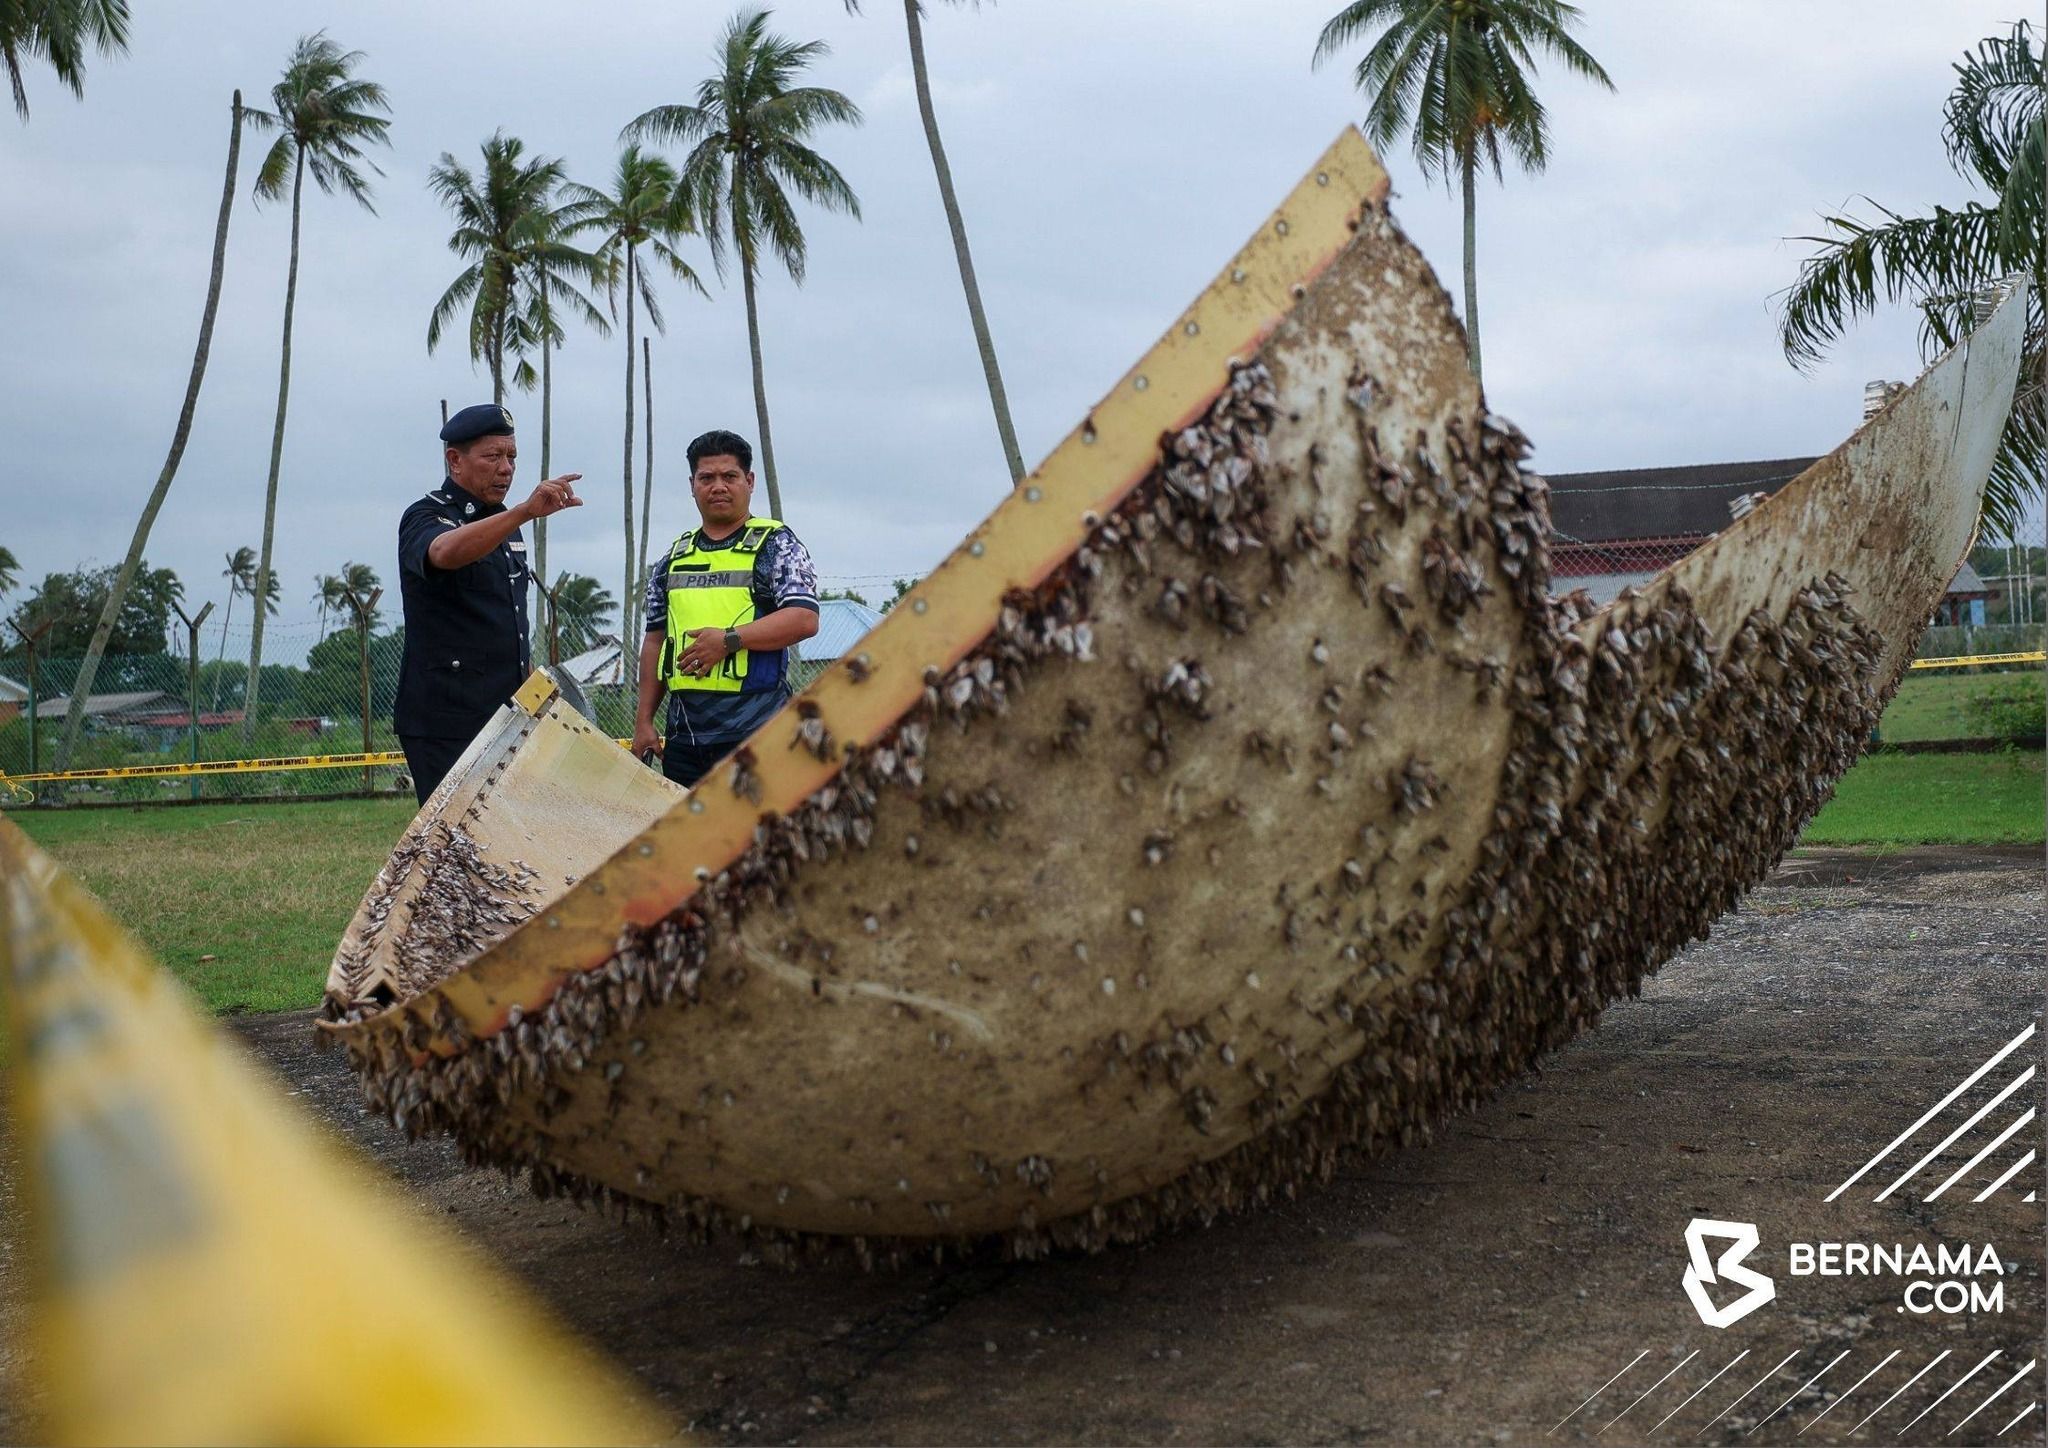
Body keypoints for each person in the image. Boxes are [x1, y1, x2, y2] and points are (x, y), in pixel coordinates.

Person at [394, 403, 582, 804]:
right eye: (493, 456)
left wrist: (538, 689)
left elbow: (505, 626)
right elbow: (442, 552)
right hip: (447, 721)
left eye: (512, 456)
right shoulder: (428, 515)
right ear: (454, 460)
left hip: (504, 715)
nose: (506, 468)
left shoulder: (504, 526)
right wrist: (523, 512)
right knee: (454, 842)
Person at [632, 429, 819, 789]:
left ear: (749, 481)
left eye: (729, 476)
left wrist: (728, 641)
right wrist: (643, 721)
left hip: (759, 734)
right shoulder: (672, 559)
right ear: (692, 485)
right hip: (685, 741)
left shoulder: (777, 546)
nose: (718, 486)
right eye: (707, 478)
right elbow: (655, 640)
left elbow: (804, 618)